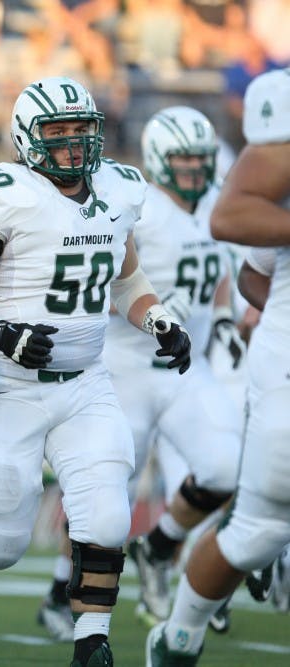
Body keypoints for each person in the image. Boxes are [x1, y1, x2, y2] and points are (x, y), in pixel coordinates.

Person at [0, 76, 192, 667]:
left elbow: (125, 276)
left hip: (85, 383)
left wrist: (158, 319)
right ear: (27, 137)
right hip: (7, 386)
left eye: (82, 128)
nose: (74, 143)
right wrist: (1, 331)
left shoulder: (119, 189)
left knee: (107, 515)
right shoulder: (4, 193)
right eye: (58, 131)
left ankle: (91, 643)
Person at [145, 66, 290, 666]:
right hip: (157, 363)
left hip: (215, 360)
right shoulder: (140, 202)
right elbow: (240, 233)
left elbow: (253, 272)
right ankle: (177, 633)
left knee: (254, 521)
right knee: (254, 528)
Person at [108, 106, 243, 628]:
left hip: (190, 370)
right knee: (108, 493)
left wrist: (226, 320)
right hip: (127, 367)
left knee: (227, 468)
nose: (193, 168)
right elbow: (102, 287)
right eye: (183, 158)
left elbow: (220, 273)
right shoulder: (134, 206)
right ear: (159, 158)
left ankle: (160, 547)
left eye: (200, 158)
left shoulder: (218, 202)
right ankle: (62, 592)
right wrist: (155, 314)